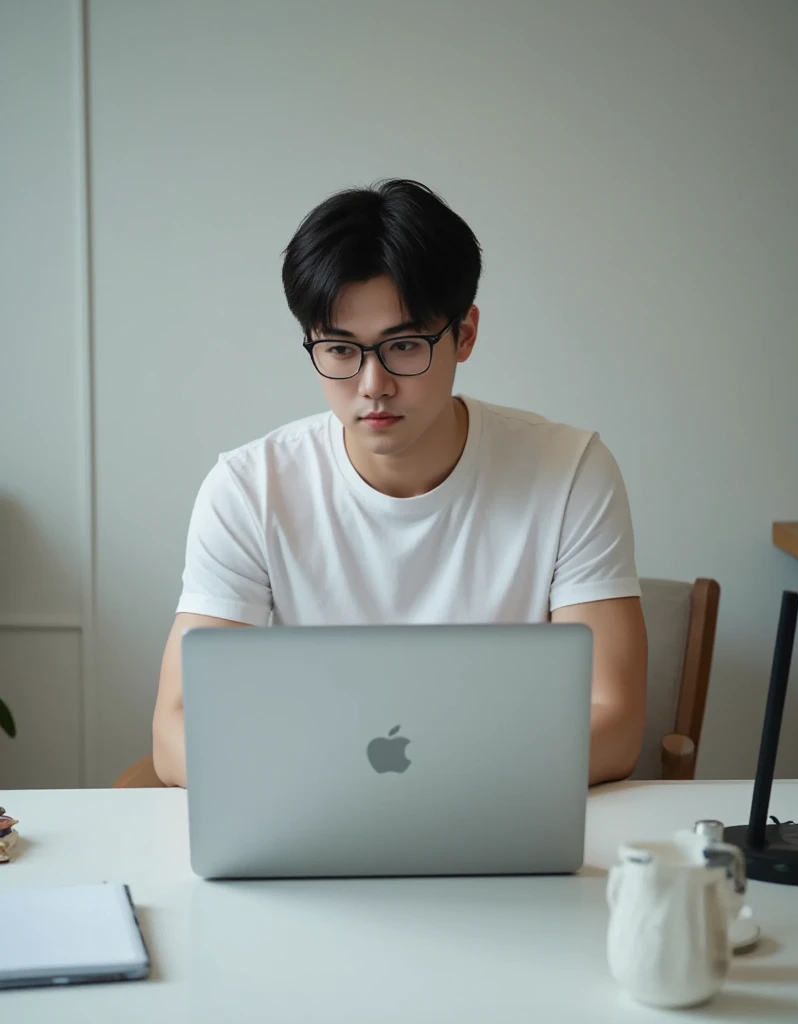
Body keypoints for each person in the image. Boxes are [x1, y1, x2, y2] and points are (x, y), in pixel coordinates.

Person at [153, 179, 647, 789]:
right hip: (317, 813)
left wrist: (426, 782)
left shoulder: (570, 472)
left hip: (495, 817)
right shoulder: (249, 489)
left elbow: (616, 722)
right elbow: (175, 729)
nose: (372, 384)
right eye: (339, 349)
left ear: (464, 334)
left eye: (404, 345)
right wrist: (340, 784)